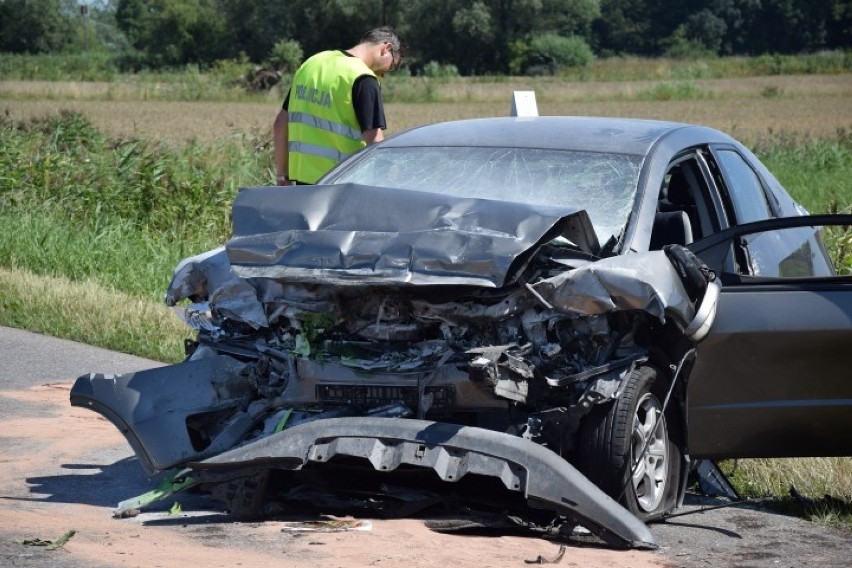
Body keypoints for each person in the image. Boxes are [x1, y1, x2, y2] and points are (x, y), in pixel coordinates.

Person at [273, 27, 403, 186]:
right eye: (389, 67)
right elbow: (375, 142)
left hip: (303, 185)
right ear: (386, 48)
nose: (383, 74)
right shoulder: (363, 78)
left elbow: (280, 124)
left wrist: (282, 175)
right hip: (343, 186)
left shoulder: (312, 63)